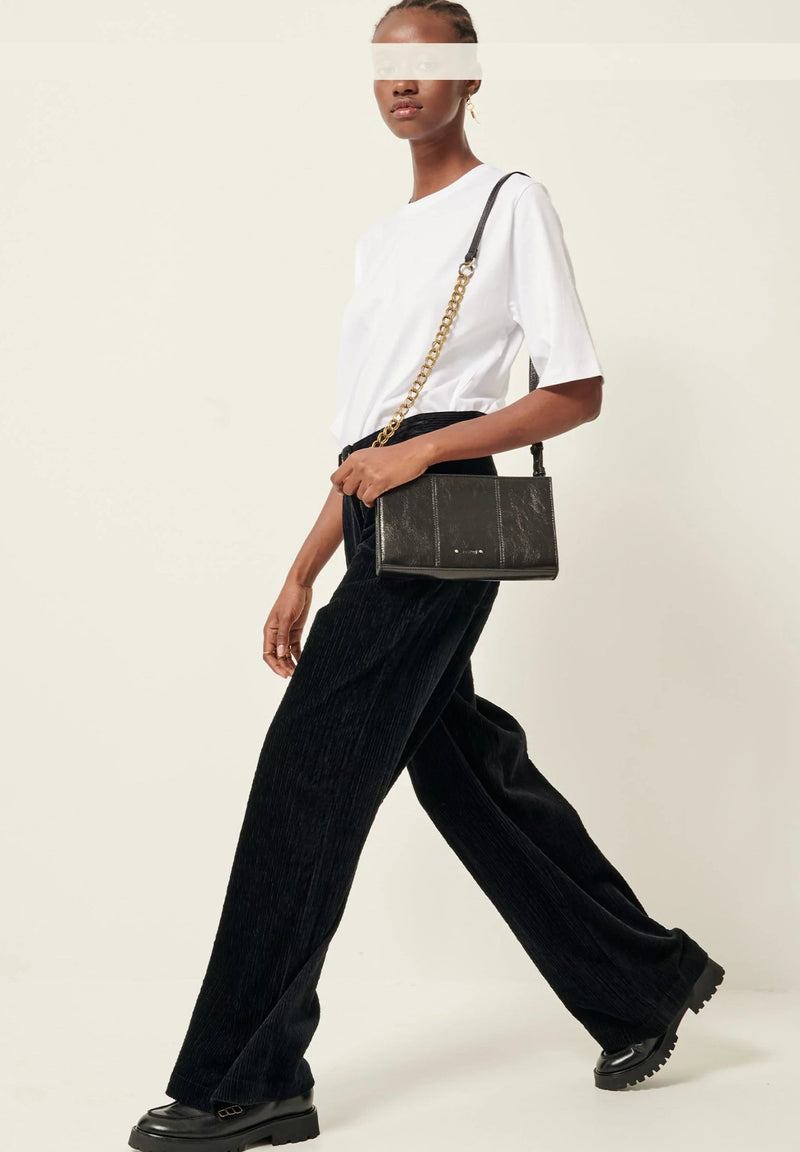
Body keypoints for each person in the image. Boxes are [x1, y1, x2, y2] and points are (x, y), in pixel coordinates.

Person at [128, 2, 724, 1149]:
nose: (404, 83)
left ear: (469, 77)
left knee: (308, 772)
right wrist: (302, 568)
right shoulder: (379, 243)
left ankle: (245, 1078)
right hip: (374, 515)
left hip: (444, 519)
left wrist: (425, 454)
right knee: (464, 775)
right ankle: (640, 983)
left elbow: (573, 389)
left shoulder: (509, 202)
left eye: (431, 62)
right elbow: (366, 438)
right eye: (386, 65)